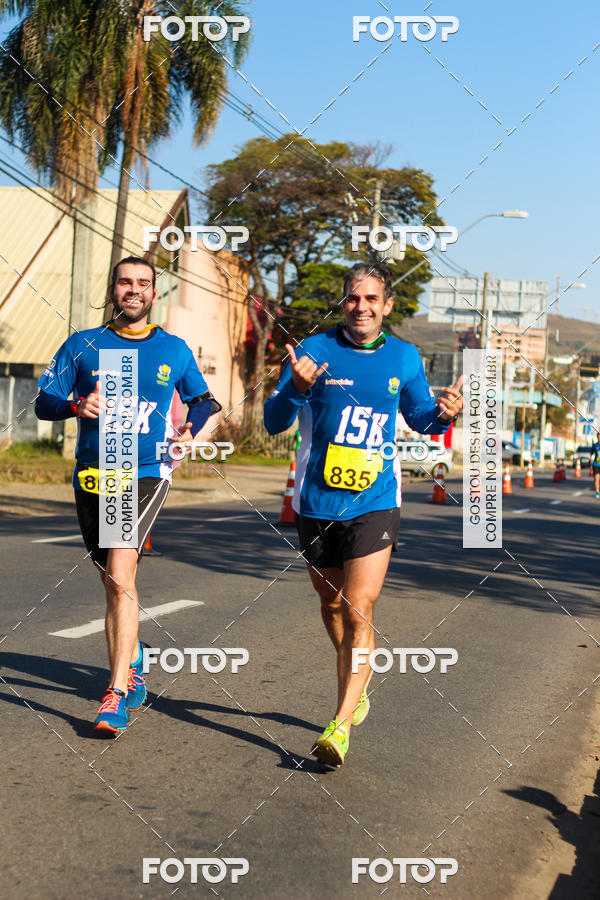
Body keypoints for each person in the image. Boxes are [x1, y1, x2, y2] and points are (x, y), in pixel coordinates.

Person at [264, 261, 463, 767]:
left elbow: (419, 418)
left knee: (359, 605)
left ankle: (339, 724)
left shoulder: (404, 355)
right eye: (354, 297)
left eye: (372, 299)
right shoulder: (313, 351)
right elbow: (273, 421)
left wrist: (443, 411)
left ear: (387, 306)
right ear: (344, 301)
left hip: (376, 499)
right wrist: (296, 387)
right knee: (331, 606)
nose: (362, 307)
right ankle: (356, 677)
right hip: (316, 502)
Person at [35, 256, 220, 733]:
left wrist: (189, 433)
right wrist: (77, 404)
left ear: (154, 293)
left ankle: (114, 693)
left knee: (120, 575)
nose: (134, 290)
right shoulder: (85, 345)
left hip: (143, 469)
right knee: (111, 578)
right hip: (95, 472)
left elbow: (205, 402)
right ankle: (134, 655)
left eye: (143, 283)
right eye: (125, 282)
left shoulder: (172, 348)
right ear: (112, 289)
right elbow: (43, 401)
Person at [590, 433, 600, 498]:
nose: (599, 438)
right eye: (598, 437)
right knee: (596, 479)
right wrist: (591, 461)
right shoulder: (595, 445)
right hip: (596, 464)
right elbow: (591, 453)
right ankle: (597, 492)